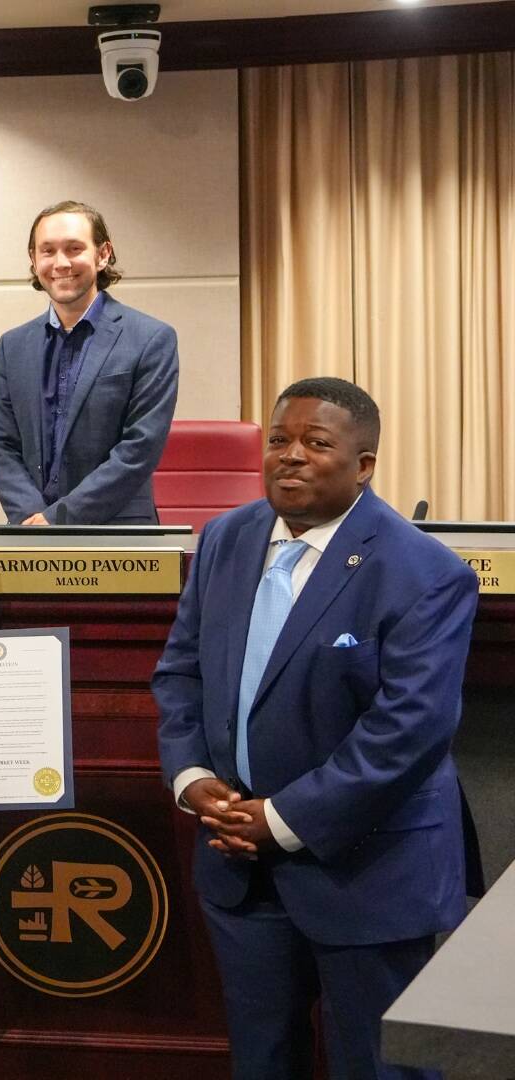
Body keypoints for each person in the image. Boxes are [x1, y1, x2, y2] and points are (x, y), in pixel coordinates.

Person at [154, 377, 480, 1080]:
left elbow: (410, 729)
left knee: (379, 1067)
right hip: (238, 861)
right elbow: (181, 674)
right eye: (279, 440)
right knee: (263, 1060)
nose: (290, 456)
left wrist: (280, 816)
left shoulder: (424, 571)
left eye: (315, 443)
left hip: (368, 869)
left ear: (364, 464)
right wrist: (192, 778)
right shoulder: (224, 540)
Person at [0, 200, 179, 525]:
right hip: (30, 539)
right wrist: (32, 517)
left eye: (74, 248)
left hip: (119, 540)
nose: (61, 263)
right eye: (47, 251)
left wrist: (57, 520)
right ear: (33, 259)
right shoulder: (12, 346)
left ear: (102, 255)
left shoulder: (151, 339)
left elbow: (139, 449)